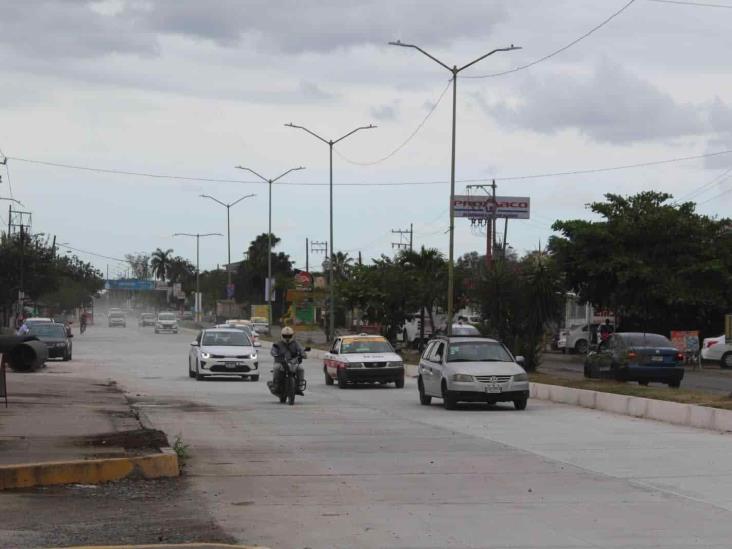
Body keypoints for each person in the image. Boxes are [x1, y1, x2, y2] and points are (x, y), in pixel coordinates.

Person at [271, 326, 306, 396]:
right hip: (280, 362)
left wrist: (303, 354)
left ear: (292, 335)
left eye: (289, 336)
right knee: (276, 368)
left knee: (301, 368)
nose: (287, 338)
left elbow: (301, 349)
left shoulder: (295, 343)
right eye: (285, 336)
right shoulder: (278, 343)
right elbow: (273, 350)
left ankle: (299, 385)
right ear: (282, 335)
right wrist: (275, 354)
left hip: (293, 362)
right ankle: (276, 385)